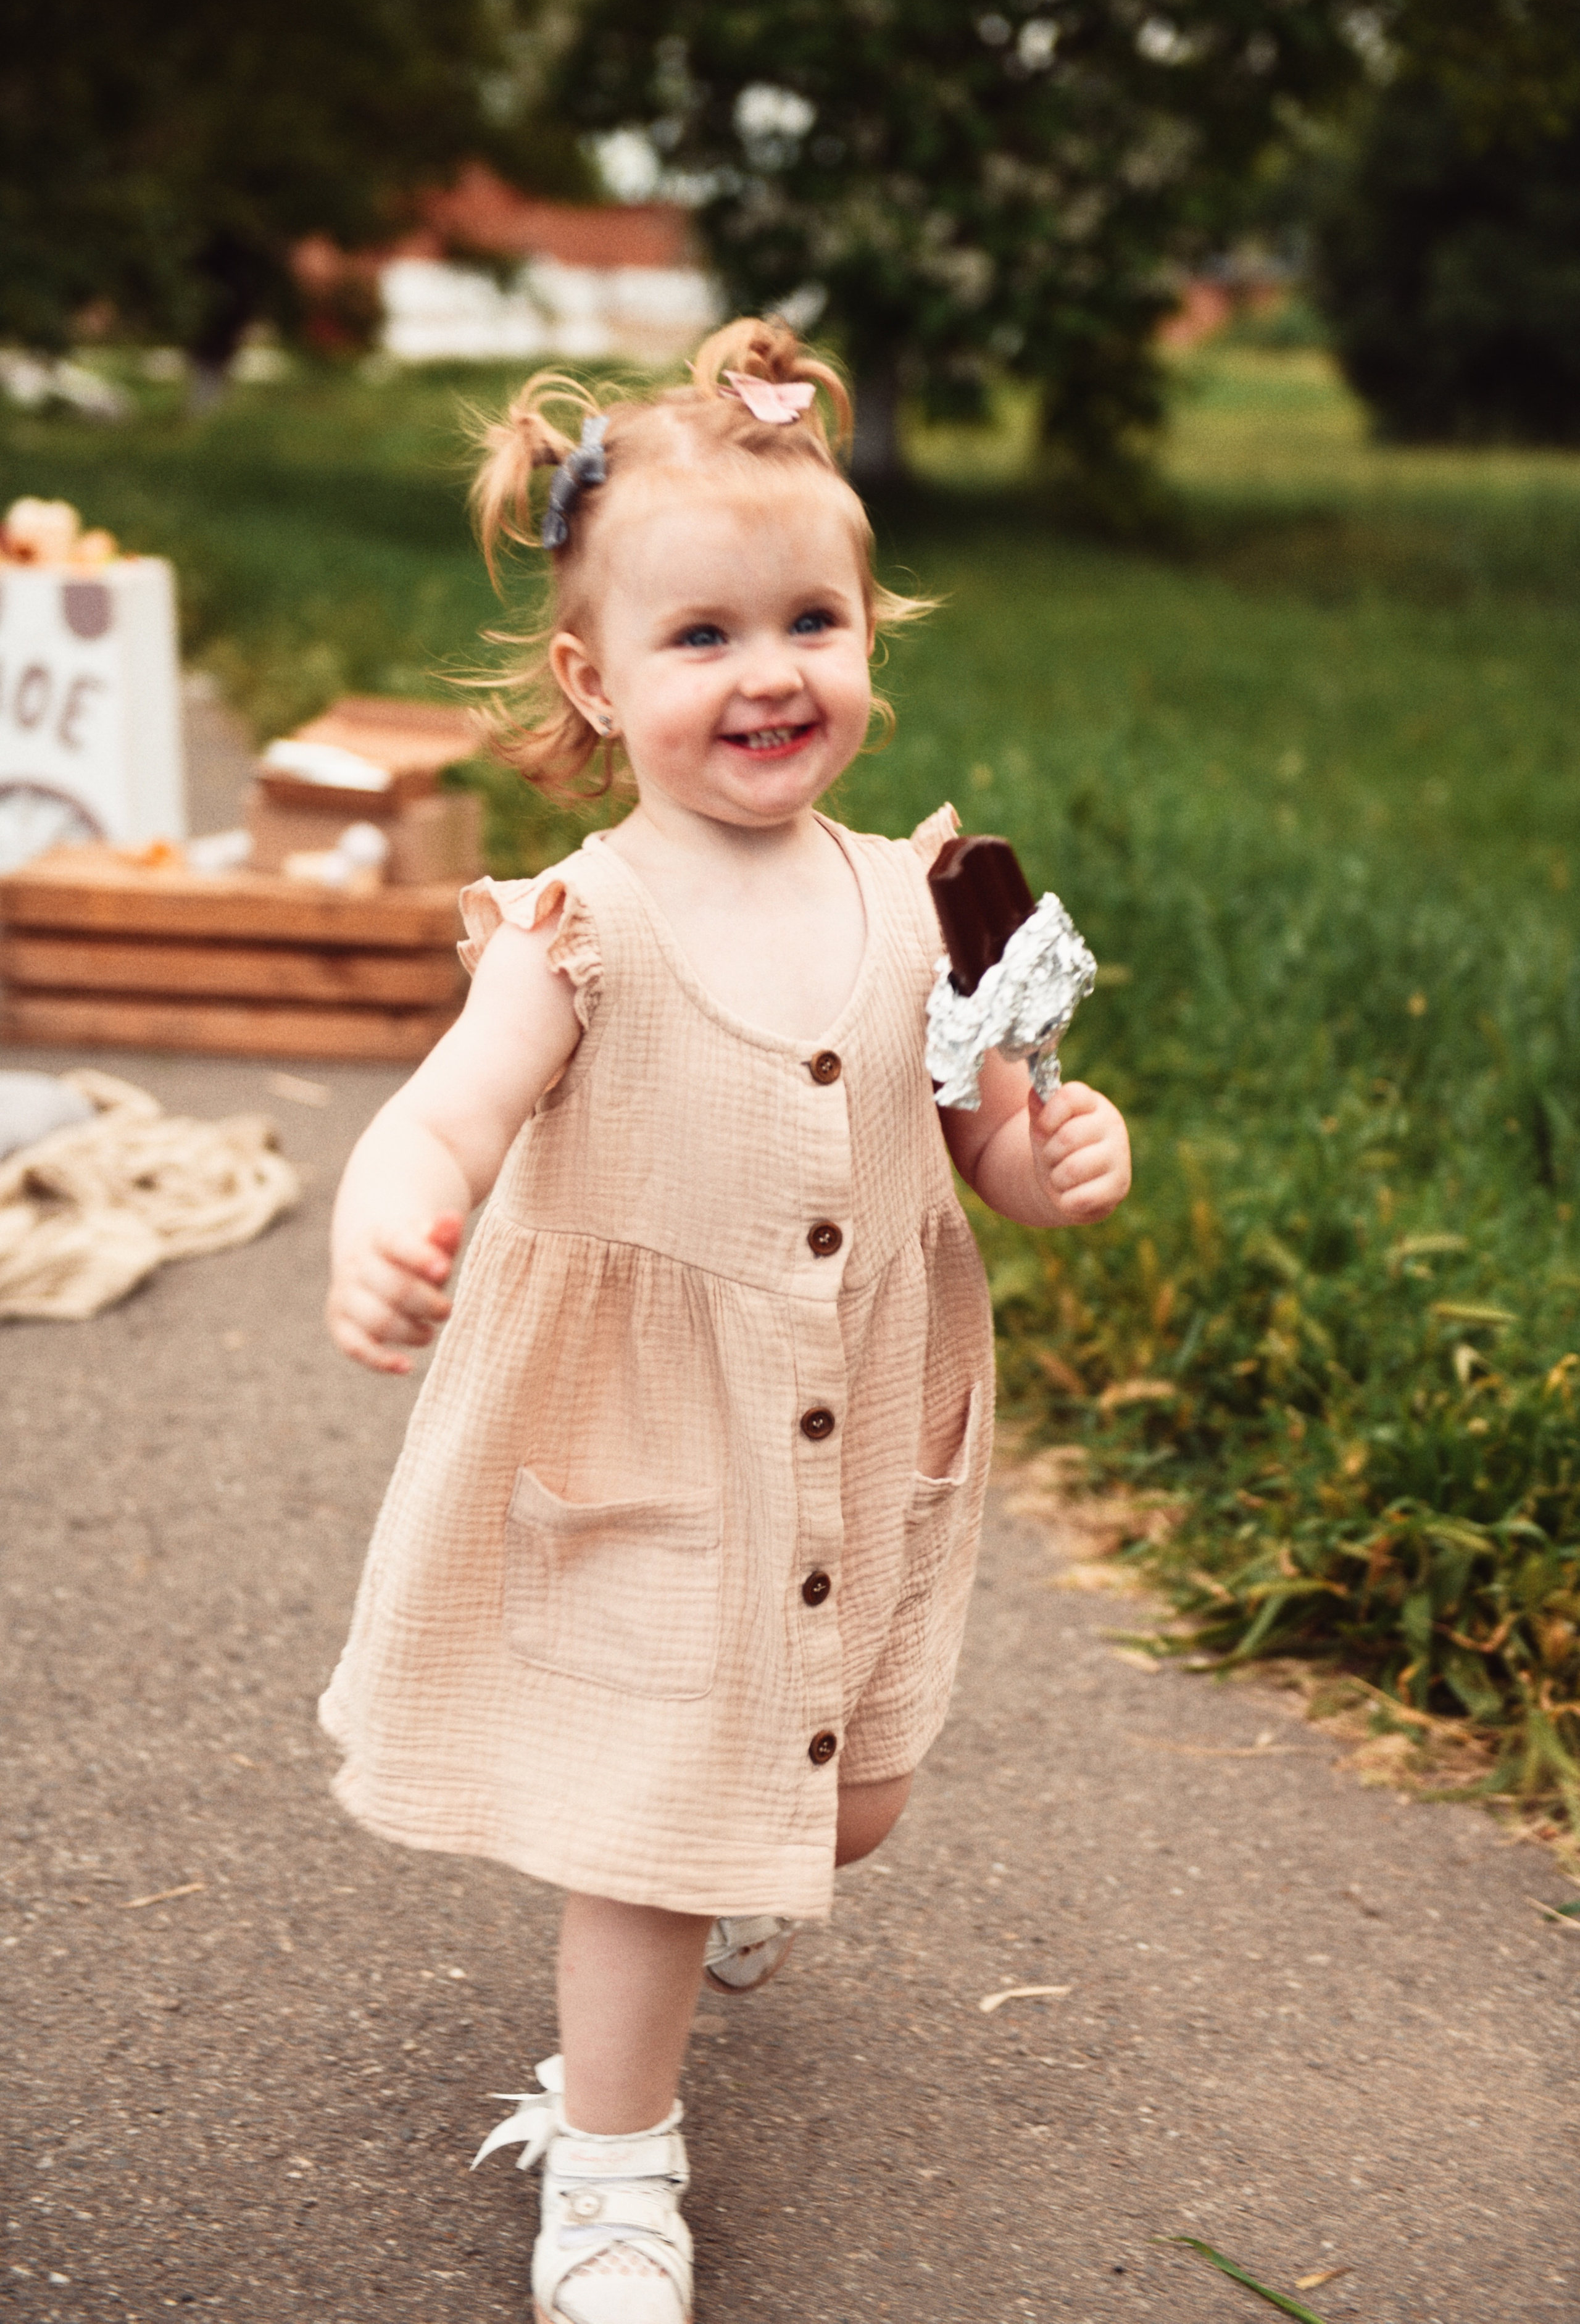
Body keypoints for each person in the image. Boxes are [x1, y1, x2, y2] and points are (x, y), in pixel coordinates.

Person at [319, 315, 1131, 2324]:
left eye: (813, 621)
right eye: (702, 640)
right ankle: (609, 2161)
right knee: (662, 1843)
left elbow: (984, 1137)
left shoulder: (936, 894)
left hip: (862, 1415)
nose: (769, 672)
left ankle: (748, 1867)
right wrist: (394, 1208)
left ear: (870, 635)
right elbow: (452, 1107)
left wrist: (1051, 1160)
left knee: (857, 1806)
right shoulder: (576, 924)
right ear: (597, 684)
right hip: (655, 1447)